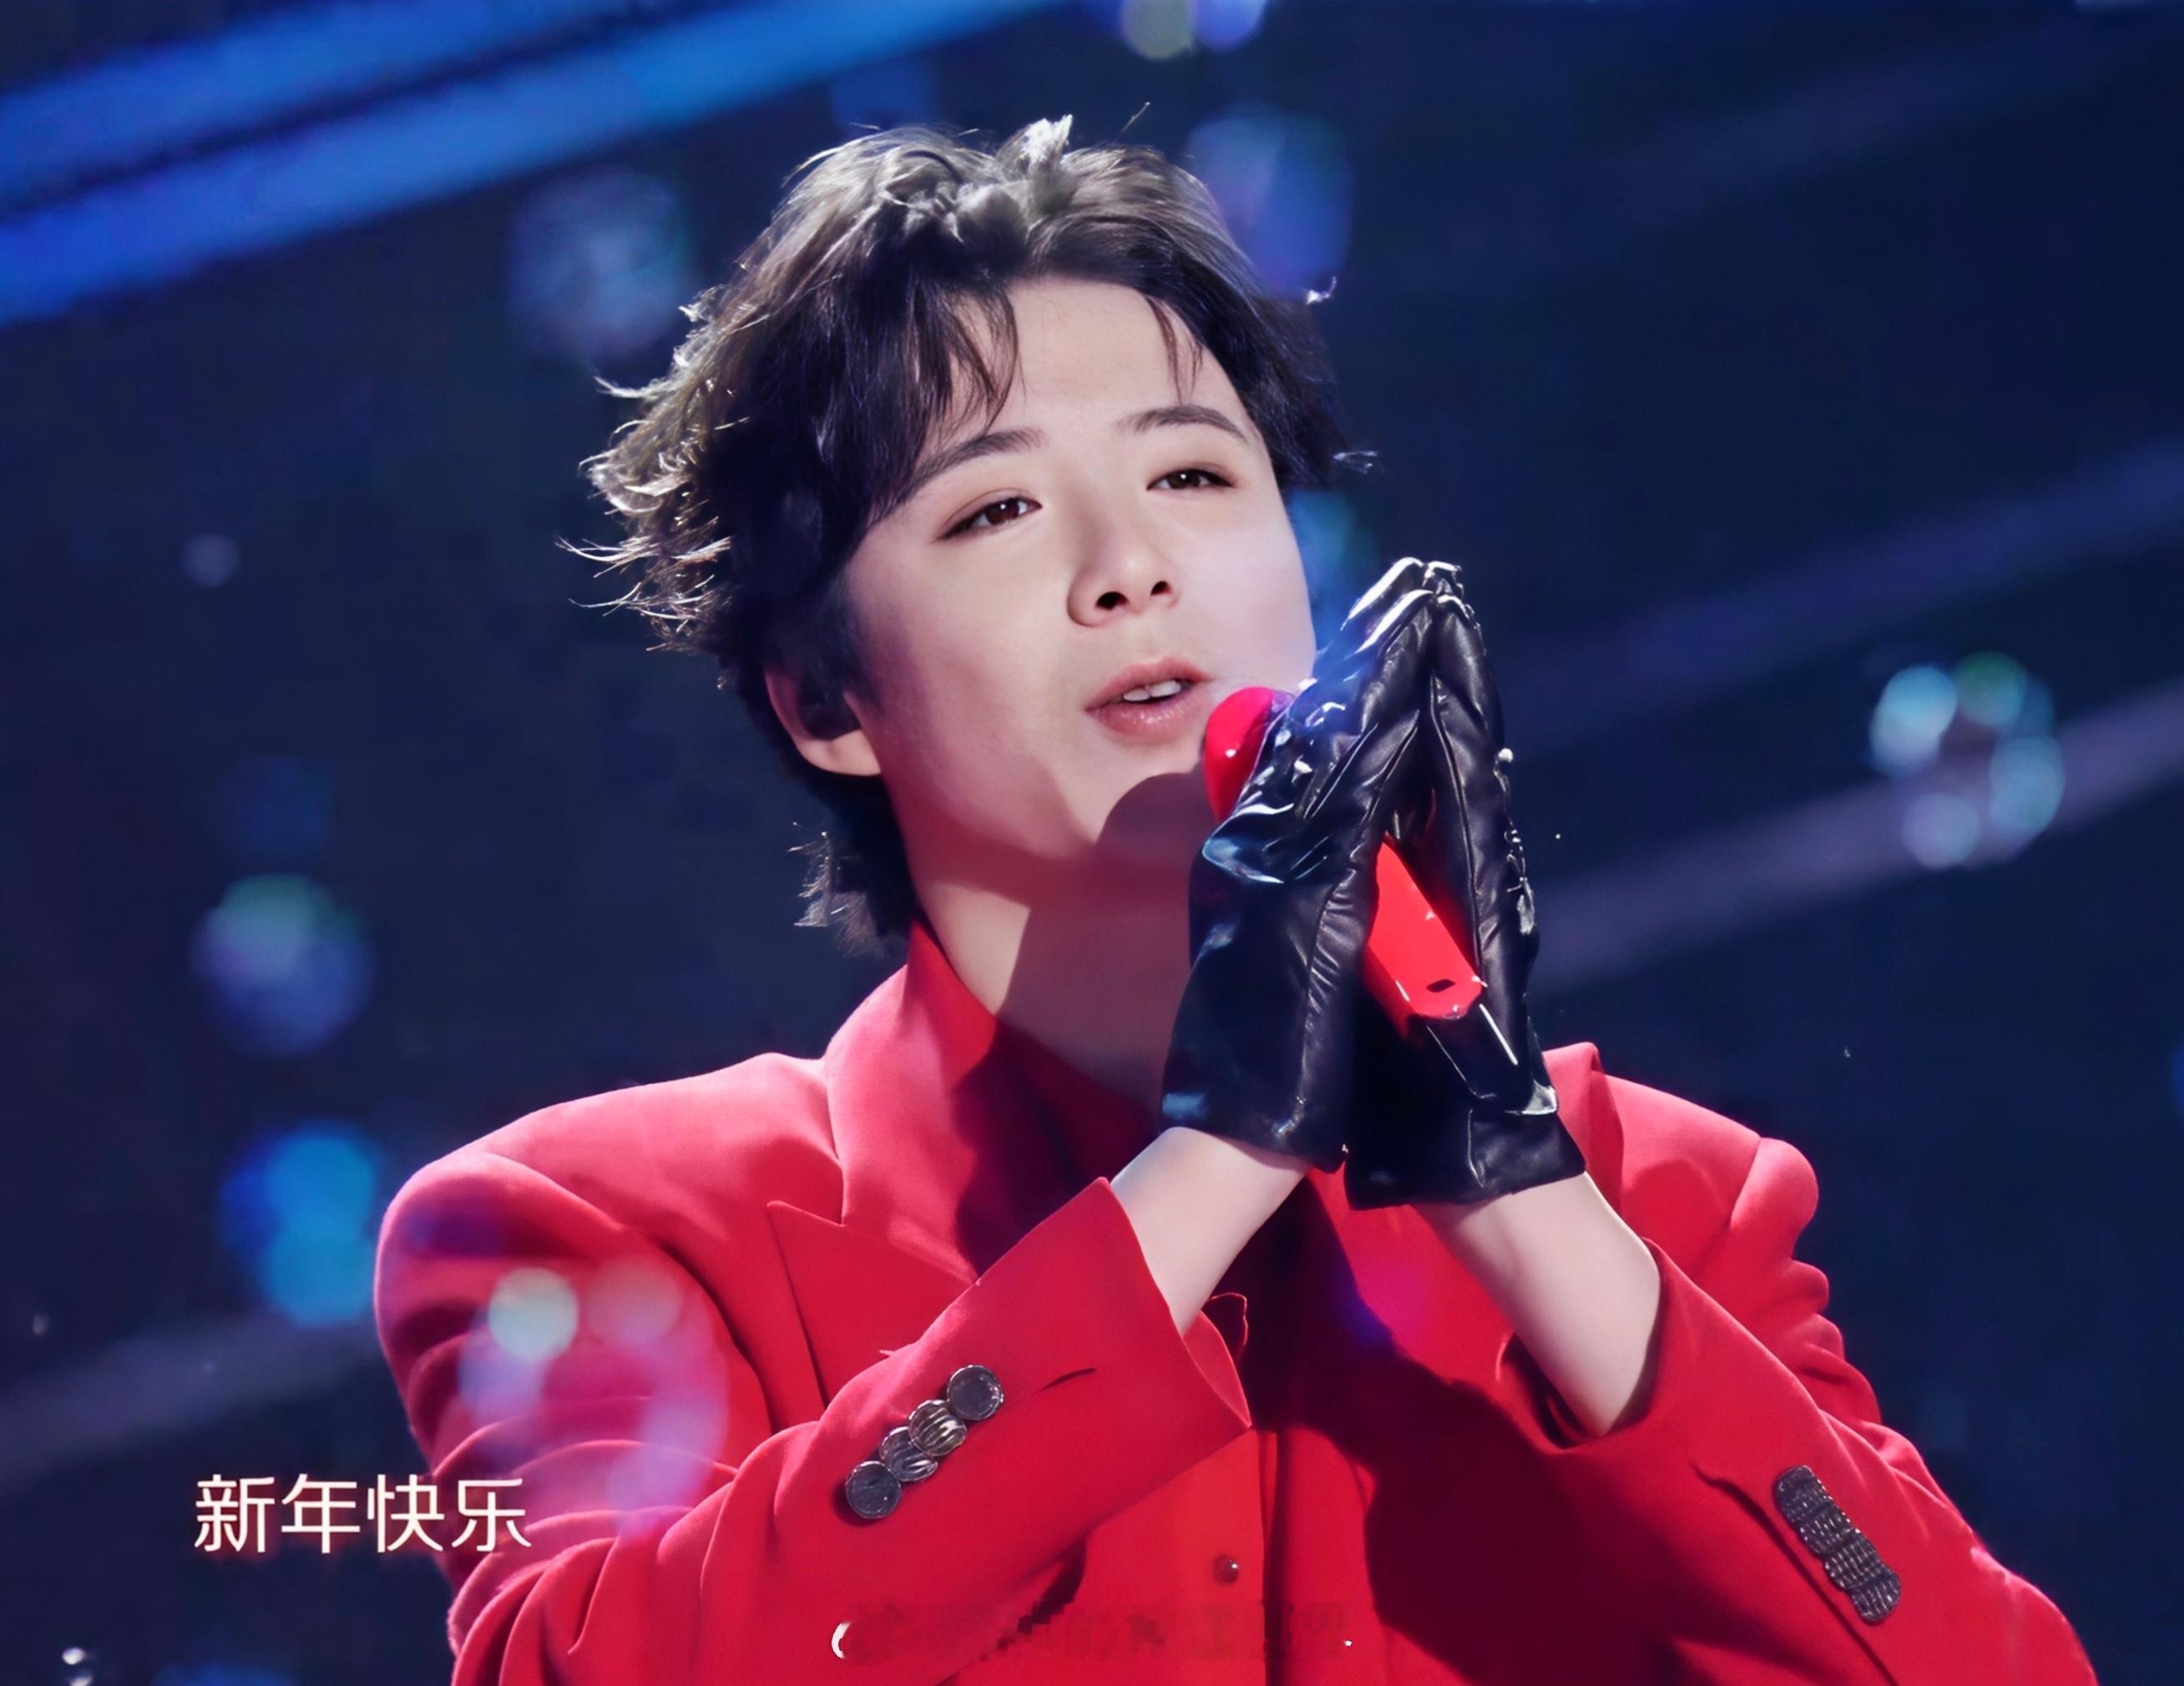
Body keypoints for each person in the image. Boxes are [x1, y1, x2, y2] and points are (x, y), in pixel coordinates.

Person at [371, 117, 2098, 1683]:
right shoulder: (606, 1230)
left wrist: (1522, 1205)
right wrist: (1209, 1170)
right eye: (994, 508)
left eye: (1194, 475)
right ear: (824, 698)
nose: (1131, 566)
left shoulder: (1660, 1207)